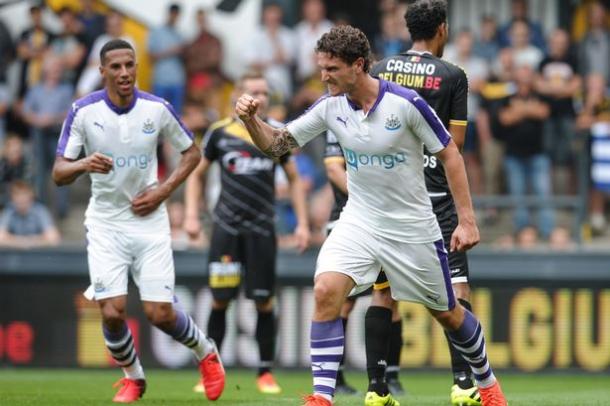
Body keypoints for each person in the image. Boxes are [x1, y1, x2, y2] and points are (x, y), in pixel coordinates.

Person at [235, 25, 507, 406]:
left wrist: (467, 220)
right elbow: (277, 144)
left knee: (448, 314)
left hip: (411, 226)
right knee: (326, 290)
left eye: (331, 68)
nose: (323, 75)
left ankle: (487, 382)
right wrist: (250, 121)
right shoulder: (330, 107)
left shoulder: (406, 103)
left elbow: (450, 155)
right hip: (359, 221)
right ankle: (322, 397)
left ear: (358, 65)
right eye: (321, 67)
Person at [51, 39, 225, 403]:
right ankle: (133, 376)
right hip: (105, 223)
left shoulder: (156, 108)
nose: (125, 72)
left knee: (160, 314)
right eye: (115, 67)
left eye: (130, 65)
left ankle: (205, 352)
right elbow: (58, 173)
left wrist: (163, 191)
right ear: (103, 72)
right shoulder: (83, 111)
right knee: (112, 312)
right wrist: (84, 163)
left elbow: (193, 153)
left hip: (149, 221)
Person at [369, 1, 487, 404]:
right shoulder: (453, 75)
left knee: (383, 292)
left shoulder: (379, 70)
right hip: (435, 196)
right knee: (456, 288)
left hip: (389, 197)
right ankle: (462, 383)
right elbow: (455, 145)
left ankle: (376, 389)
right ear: (442, 29)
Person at [184, 71, 310, 395]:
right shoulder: (218, 134)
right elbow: (196, 175)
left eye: (265, 92)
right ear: (237, 96)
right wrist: (191, 216)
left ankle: (265, 373)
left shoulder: (274, 137)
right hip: (226, 228)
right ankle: (209, 371)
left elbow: (295, 179)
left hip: (262, 229)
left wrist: (303, 223)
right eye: (254, 91)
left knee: (264, 302)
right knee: (219, 301)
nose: (261, 97)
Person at [323, 130, 404, 397]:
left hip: (385, 219)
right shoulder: (338, 118)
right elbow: (334, 169)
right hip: (347, 218)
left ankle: (390, 375)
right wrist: (366, 198)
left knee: (390, 294)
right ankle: (335, 375)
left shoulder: (385, 116)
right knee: (343, 299)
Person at [0, 181, 60, 248]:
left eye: (24, 194)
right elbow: (1, 237)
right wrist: (24, 242)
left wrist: (28, 242)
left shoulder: (40, 211)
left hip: (37, 255)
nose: (21, 198)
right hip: (15, 256)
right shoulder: (9, 211)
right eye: (17, 195)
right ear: (12, 198)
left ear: (31, 196)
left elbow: (53, 238)